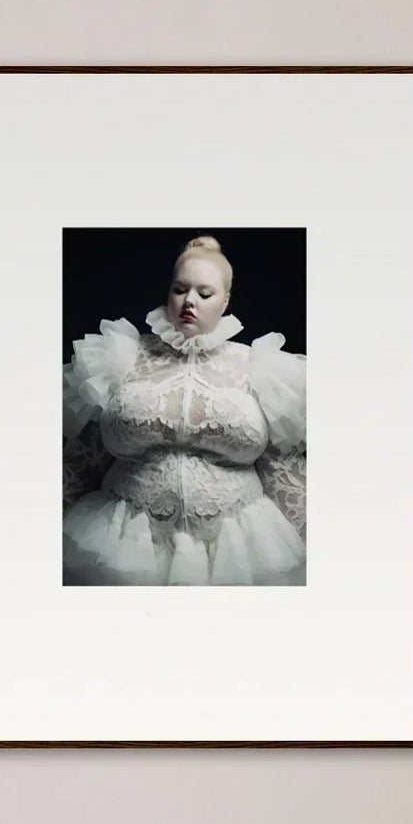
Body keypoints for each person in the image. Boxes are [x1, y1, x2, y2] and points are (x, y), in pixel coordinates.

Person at [63, 234, 307, 586]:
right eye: (180, 289)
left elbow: (284, 469)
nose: (189, 301)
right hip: (120, 545)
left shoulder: (259, 368)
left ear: (225, 300)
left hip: (240, 550)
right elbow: (80, 460)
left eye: (204, 293)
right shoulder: (121, 358)